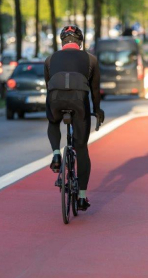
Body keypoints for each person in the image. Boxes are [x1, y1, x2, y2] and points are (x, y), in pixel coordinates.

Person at [44, 25, 104, 211]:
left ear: (62, 41)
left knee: (53, 122)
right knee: (81, 148)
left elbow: (49, 85)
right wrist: (97, 110)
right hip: (79, 102)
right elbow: (95, 90)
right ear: (81, 42)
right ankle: (82, 197)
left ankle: (55, 153)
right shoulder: (91, 59)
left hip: (55, 100)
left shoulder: (50, 59)